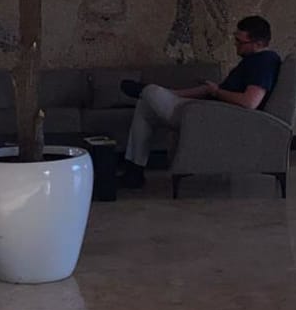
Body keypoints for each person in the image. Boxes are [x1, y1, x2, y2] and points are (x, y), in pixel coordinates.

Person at [119, 15, 282, 188]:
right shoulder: (251, 61)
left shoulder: (264, 62)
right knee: (145, 106)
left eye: (240, 42)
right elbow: (210, 91)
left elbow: (250, 102)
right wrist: (172, 94)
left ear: (258, 43)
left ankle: (145, 90)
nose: (235, 44)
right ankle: (134, 172)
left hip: (211, 117)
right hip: (207, 110)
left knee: (150, 93)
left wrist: (216, 91)